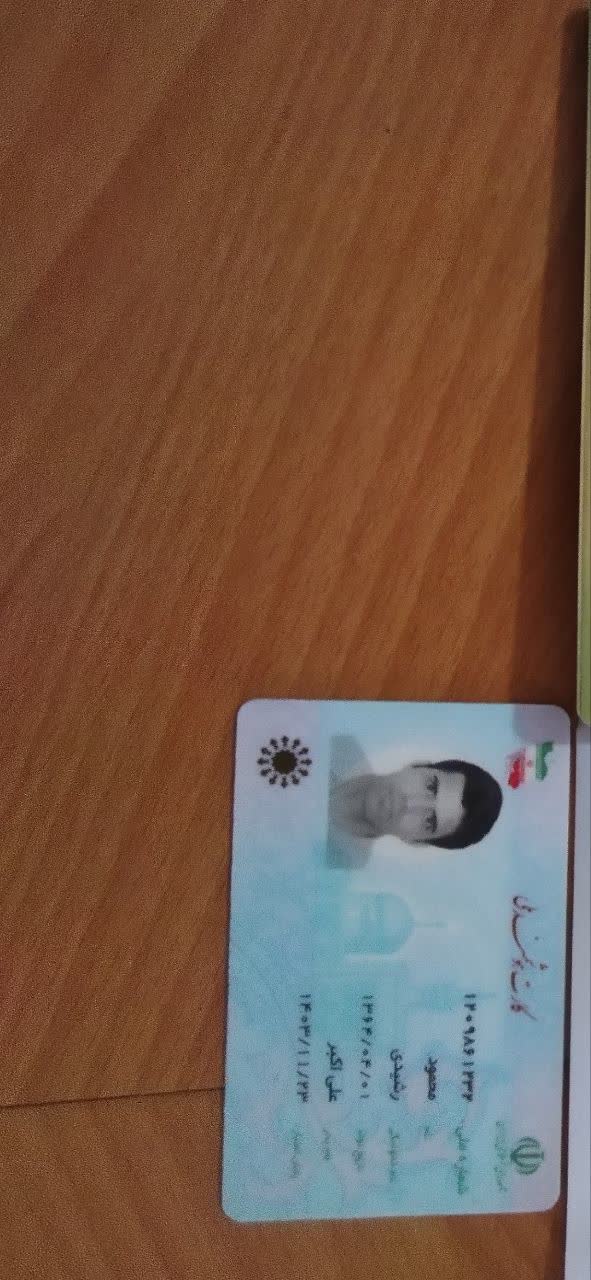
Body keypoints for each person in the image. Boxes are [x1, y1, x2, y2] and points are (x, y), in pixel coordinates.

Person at [327, 735, 502, 867]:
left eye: (429, 821)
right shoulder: (336, 745)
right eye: (430, 786)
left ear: (416, 842)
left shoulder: (343, 864)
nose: (409, 804)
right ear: (416, 765)